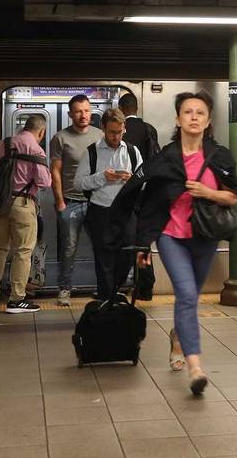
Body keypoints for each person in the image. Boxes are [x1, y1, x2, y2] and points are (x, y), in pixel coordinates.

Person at [111, 90, 237, 397]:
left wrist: (207, 193)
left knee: (190, 298)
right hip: (171, 236)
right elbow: (150, 205)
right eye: (188, 112)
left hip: (204, 237)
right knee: (185, 294)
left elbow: (233, 196)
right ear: (178, 119)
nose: (194, 117)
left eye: (200, 113)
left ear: (208, 121)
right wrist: (143, 246)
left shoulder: (219, 157)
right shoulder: (164, 159)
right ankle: (196, 368)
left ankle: (177, 337)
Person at [0, 114, 51, 313]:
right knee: (23, 251)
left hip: (0, 202)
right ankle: (16, 299)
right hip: (23, 203)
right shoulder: (35, 149)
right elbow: (44, 182)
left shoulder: (5, 143)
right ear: (41, 132)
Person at [73, 109, 142, 302]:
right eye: (112, 132)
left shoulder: (132, 151)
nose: (115, 136)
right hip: (101, 212)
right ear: (103, 128)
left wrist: (133, 180)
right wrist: (102, 177)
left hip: (126, 213)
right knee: (104, 260)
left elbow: (145, 180)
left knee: (127, 257)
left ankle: (112, 292)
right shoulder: (92, 152)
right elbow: (78, 183)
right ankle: (106, 299)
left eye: (119, 132)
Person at [49, 94, 100, 306]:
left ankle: (104, 287)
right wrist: (59, 200)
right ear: (70, 114)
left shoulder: (100, 136)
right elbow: (56, 171)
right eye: (78, 111)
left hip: (96, 201)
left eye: (86, 110)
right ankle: (64, 289)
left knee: (101, 245)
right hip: (70, 201)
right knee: (68, 248)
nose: (83, 115)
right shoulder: (61, 138)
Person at [118, 93, 158, 300]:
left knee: (127, 241)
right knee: (142, 242)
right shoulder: (149, 129)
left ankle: (122, 284)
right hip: (148, 195)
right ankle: (145, 286)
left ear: (121, 109)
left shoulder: (122, 132)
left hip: (130, 195)